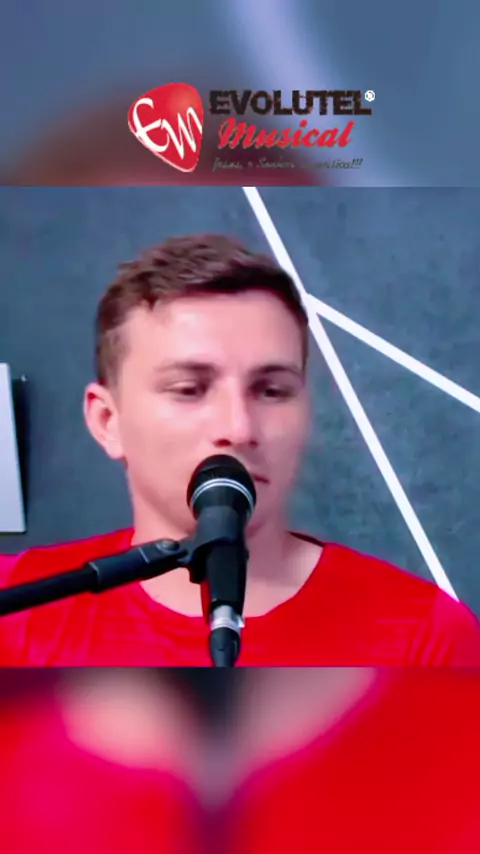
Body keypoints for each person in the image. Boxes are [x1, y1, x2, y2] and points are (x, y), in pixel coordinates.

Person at [0, 233, 479, 665]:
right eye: (189, 389)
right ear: (108, 421)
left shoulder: (426, 639)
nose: (238, 427)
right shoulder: (15, 610)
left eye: (272, 391)